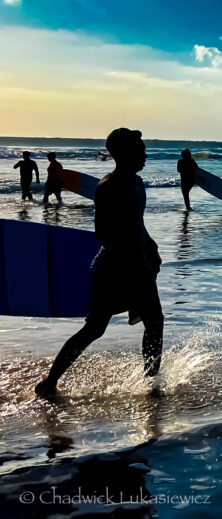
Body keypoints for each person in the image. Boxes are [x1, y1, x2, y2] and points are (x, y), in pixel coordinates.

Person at [35, 128, 163, 397]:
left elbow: (136, 223)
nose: (145, 155)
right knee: (95, 329)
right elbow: (103, 234)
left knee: (155, 322)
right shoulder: (108, 188)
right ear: (123, 153)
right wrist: (132, 267)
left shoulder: (137, 184)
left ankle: (151, 385)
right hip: (114, 270)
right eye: (140, 150)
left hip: (139, 266)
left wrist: (150, 247)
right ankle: (50, 382)